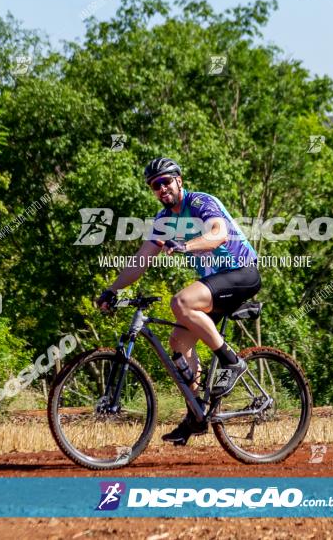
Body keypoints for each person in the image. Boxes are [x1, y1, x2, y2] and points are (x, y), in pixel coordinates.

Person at [96, 157, 260, 445]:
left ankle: (231, 363)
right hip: (214, 285)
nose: (161, 188)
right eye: (154, 185)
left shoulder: (199, 203)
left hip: (241, 272)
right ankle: (195, 415)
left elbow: (218, 234)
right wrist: (113, 289)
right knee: (178, 343)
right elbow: (141, 261)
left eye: (165, 181)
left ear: (179, 181)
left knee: (181, 302)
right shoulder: (163, 221)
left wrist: (185, 244)